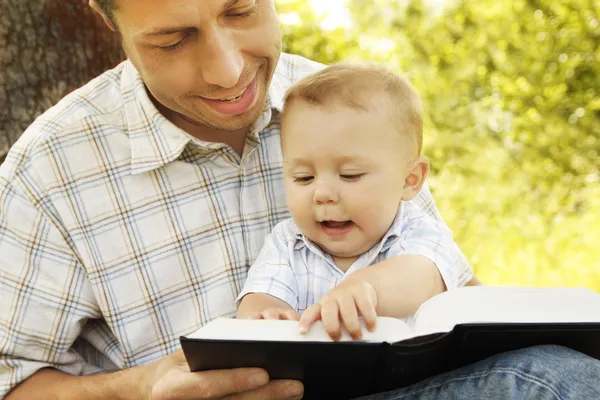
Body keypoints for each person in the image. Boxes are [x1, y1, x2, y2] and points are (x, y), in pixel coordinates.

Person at [1, 0, 598, 399]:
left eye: (240, 9)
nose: (227, 71)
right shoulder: (50, 170)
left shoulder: (348, 108)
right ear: (109, 23)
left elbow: (438, 286)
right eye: (173, 39)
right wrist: (144, 387)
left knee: (554, 377)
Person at [237, 62, 460, 340]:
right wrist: (265, 313)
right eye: (304, 178)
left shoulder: (417, 230)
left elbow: (423, 278)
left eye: (350, 175)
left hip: (414, 378)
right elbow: (261, 294)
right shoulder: (288, 243)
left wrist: (366, 287)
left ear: (410, 179)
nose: (322, 194)